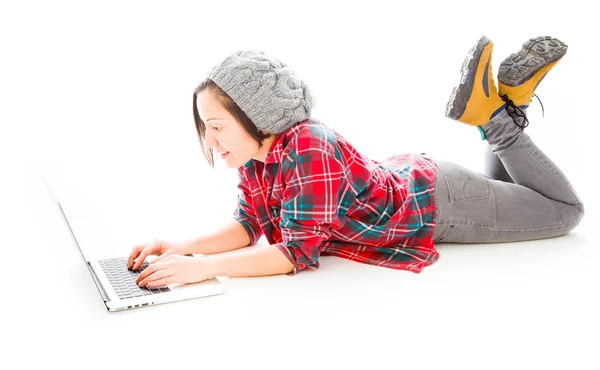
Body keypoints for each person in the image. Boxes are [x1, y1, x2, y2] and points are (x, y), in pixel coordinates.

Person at [128, 35, 584, 289]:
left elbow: (294, 255)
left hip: (442, 205)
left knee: (565, 212)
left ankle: (494, 116)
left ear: (258, 117)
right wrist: (180, 248)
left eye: (217, 125)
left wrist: (204, 270)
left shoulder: (308, 148)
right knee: (513, 193)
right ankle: (504, 104)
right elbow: (247, 226)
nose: (210, 138)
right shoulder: (258, 154)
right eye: (205, 126)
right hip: (427, 182)